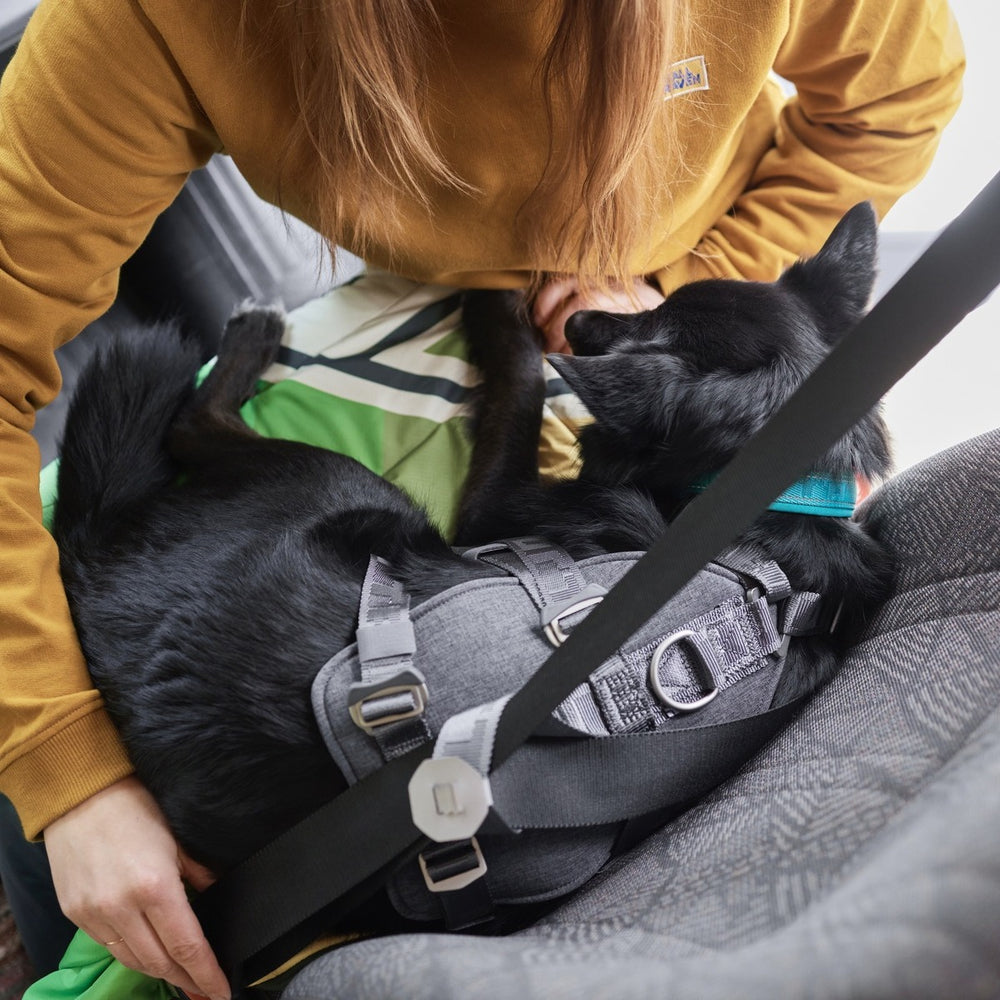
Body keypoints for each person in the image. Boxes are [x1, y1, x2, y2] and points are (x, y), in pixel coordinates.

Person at [0, 1, 964, 998]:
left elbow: (901, 94)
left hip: (668, 327)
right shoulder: (153, 20)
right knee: (56, 620)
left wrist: (681, 283)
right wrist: (68, 780)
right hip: (508, 321)